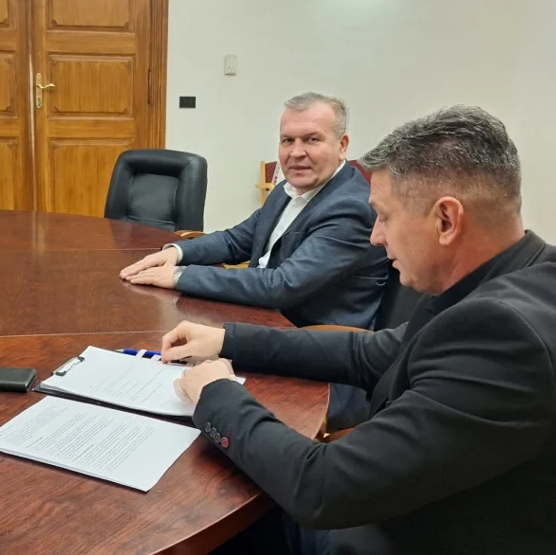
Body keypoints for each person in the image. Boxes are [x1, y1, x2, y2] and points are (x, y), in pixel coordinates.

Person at [161, 106, 556, 554]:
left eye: (384, 217)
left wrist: (217, 394)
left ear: (446, 220)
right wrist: (229, 340)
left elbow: (322, 486)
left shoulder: (505, 336)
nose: (375, 237)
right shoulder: (507, 276)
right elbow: (370, 354)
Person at [120, 92, 388, 331]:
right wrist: (175, 253)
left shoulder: (351, 208)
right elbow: (235, 241)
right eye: (287, 140)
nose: (296, 152)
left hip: (308, 340)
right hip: (259, 317)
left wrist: (180, 276)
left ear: (342, 146)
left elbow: (282, 285)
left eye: (311, 139)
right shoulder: (288, 189)